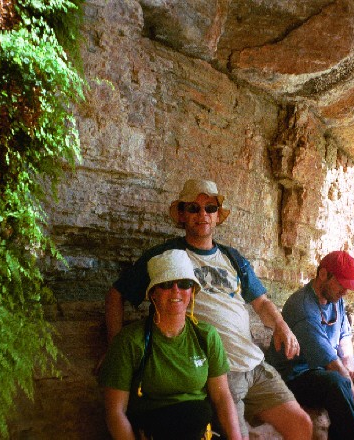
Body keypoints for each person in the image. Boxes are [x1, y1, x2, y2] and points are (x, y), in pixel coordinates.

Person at [104, 179, 312, 440]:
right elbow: (116, 294)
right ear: (181, 214)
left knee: (301, 425)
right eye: (193, 208)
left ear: (217, 216)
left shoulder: (231, 257)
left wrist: (282, 326)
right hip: (221, 370)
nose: (202, 215)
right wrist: (113, 346)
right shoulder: (167, 258)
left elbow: (261, 302)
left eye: (210, 208)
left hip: (254, 363)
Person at [99, 249, 242, 440]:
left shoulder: (206, 336)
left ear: (192, 292)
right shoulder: (131, 341)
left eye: (184, 284)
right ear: (153, 294)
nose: (176, 290)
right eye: (166, 284)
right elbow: (115, 412)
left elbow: (222, 398)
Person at [267, 250, 354, 440]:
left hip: (329, 368)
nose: (345, 290)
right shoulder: (302, 308)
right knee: (337, 383)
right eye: (342, 284)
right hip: (297, 377)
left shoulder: (335, 298)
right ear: (323, 274)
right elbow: (332, 366)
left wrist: (350, 363)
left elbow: (344, 334)